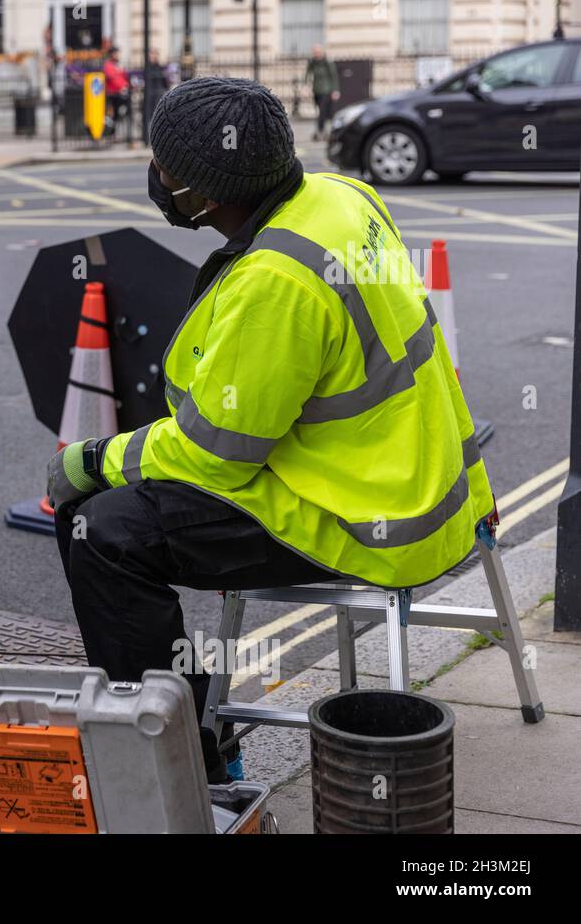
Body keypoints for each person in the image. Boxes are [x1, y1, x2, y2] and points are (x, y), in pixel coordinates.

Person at [46, 77, 492, 782]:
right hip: (421, 481)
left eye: (162, 167)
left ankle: (184, 768)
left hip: (365, 516)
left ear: (203, 194)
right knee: (124, 503)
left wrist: (93, 459)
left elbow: (210, 458)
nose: (156, 177)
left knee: (104, 533)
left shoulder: (276, 282)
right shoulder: (344, 195)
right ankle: (184, 738)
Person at [305, 44, 340, 141]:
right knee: (321, 111)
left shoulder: (327, 62)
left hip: (326, 90)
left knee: (323, 111)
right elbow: (308, 74)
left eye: (318, 52)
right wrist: (306, 86)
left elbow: (334, 76)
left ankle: (320, 131)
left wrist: (335, 90)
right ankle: (324, 131)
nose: (316, 54)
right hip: (316, 90)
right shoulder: (312, 62)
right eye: (314, 52)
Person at [103, 46, 131, 136]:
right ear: (111, 54)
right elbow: (113, 78)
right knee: (114, 114)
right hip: (113, 94)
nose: (118, 55)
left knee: (118, 113)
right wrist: (123, 86)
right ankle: (112, 133)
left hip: (120, 93)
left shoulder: (118, 65)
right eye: (116, 53)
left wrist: (127, 85)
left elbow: (124, 77)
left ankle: (115, 133)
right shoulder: (108, 65)